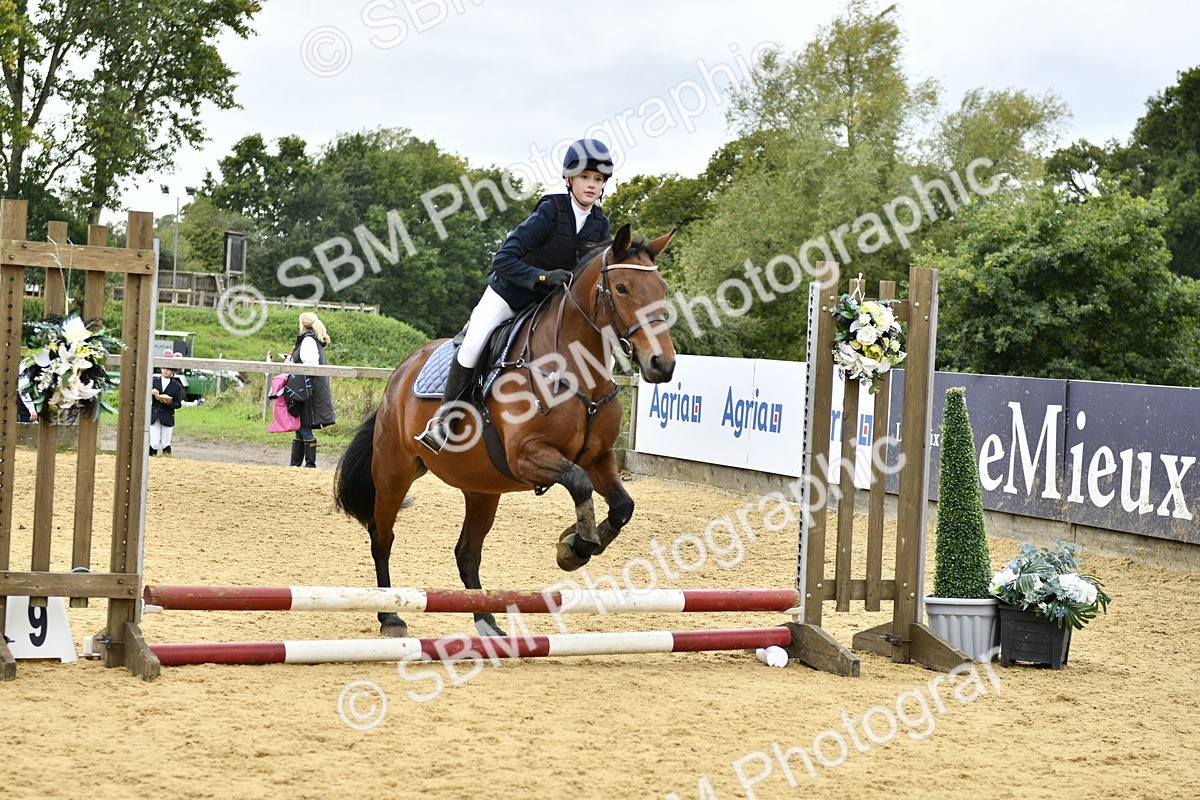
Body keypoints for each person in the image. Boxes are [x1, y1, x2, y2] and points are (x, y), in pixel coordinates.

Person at [415, 137, 615, 453]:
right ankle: (445, 420)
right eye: (585, 177)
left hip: (551, 307)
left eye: (598, 179)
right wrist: (544, 277)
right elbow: (503, 259)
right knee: (474, 341)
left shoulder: (600, 224)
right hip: (510, 293)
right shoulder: (551, 211)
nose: (592, 185)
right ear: (569, 179)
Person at [287, 311, 336, 467]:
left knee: (304, 426)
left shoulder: (308, 340)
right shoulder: (311, 339)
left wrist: (291, 365)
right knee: (300, 426)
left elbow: (310, 364)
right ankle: (295, 464)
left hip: (307, 388)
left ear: (302, 324)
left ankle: (309, 464)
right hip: (308, 387)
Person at [150, 351, 186, 456]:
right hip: (155, 415)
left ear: (174, 371)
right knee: (154, 443)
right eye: (164, 367)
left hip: (167, 416)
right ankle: (151, 458)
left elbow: (178, 404)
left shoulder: (176, 386)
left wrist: (167, 402)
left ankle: (167, 461)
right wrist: (151, 392)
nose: (166, 370)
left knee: (166, 443)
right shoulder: (153, 382)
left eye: (169, 368)